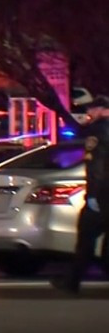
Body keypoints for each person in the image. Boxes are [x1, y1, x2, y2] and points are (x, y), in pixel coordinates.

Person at [53, 95, 109, 294]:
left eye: (92, 109)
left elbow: (96, 165)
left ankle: (72, 282)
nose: (88, 113)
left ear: (103, 110)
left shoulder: (98, 130)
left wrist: (92, 195)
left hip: (102, 194)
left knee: (85, 238)